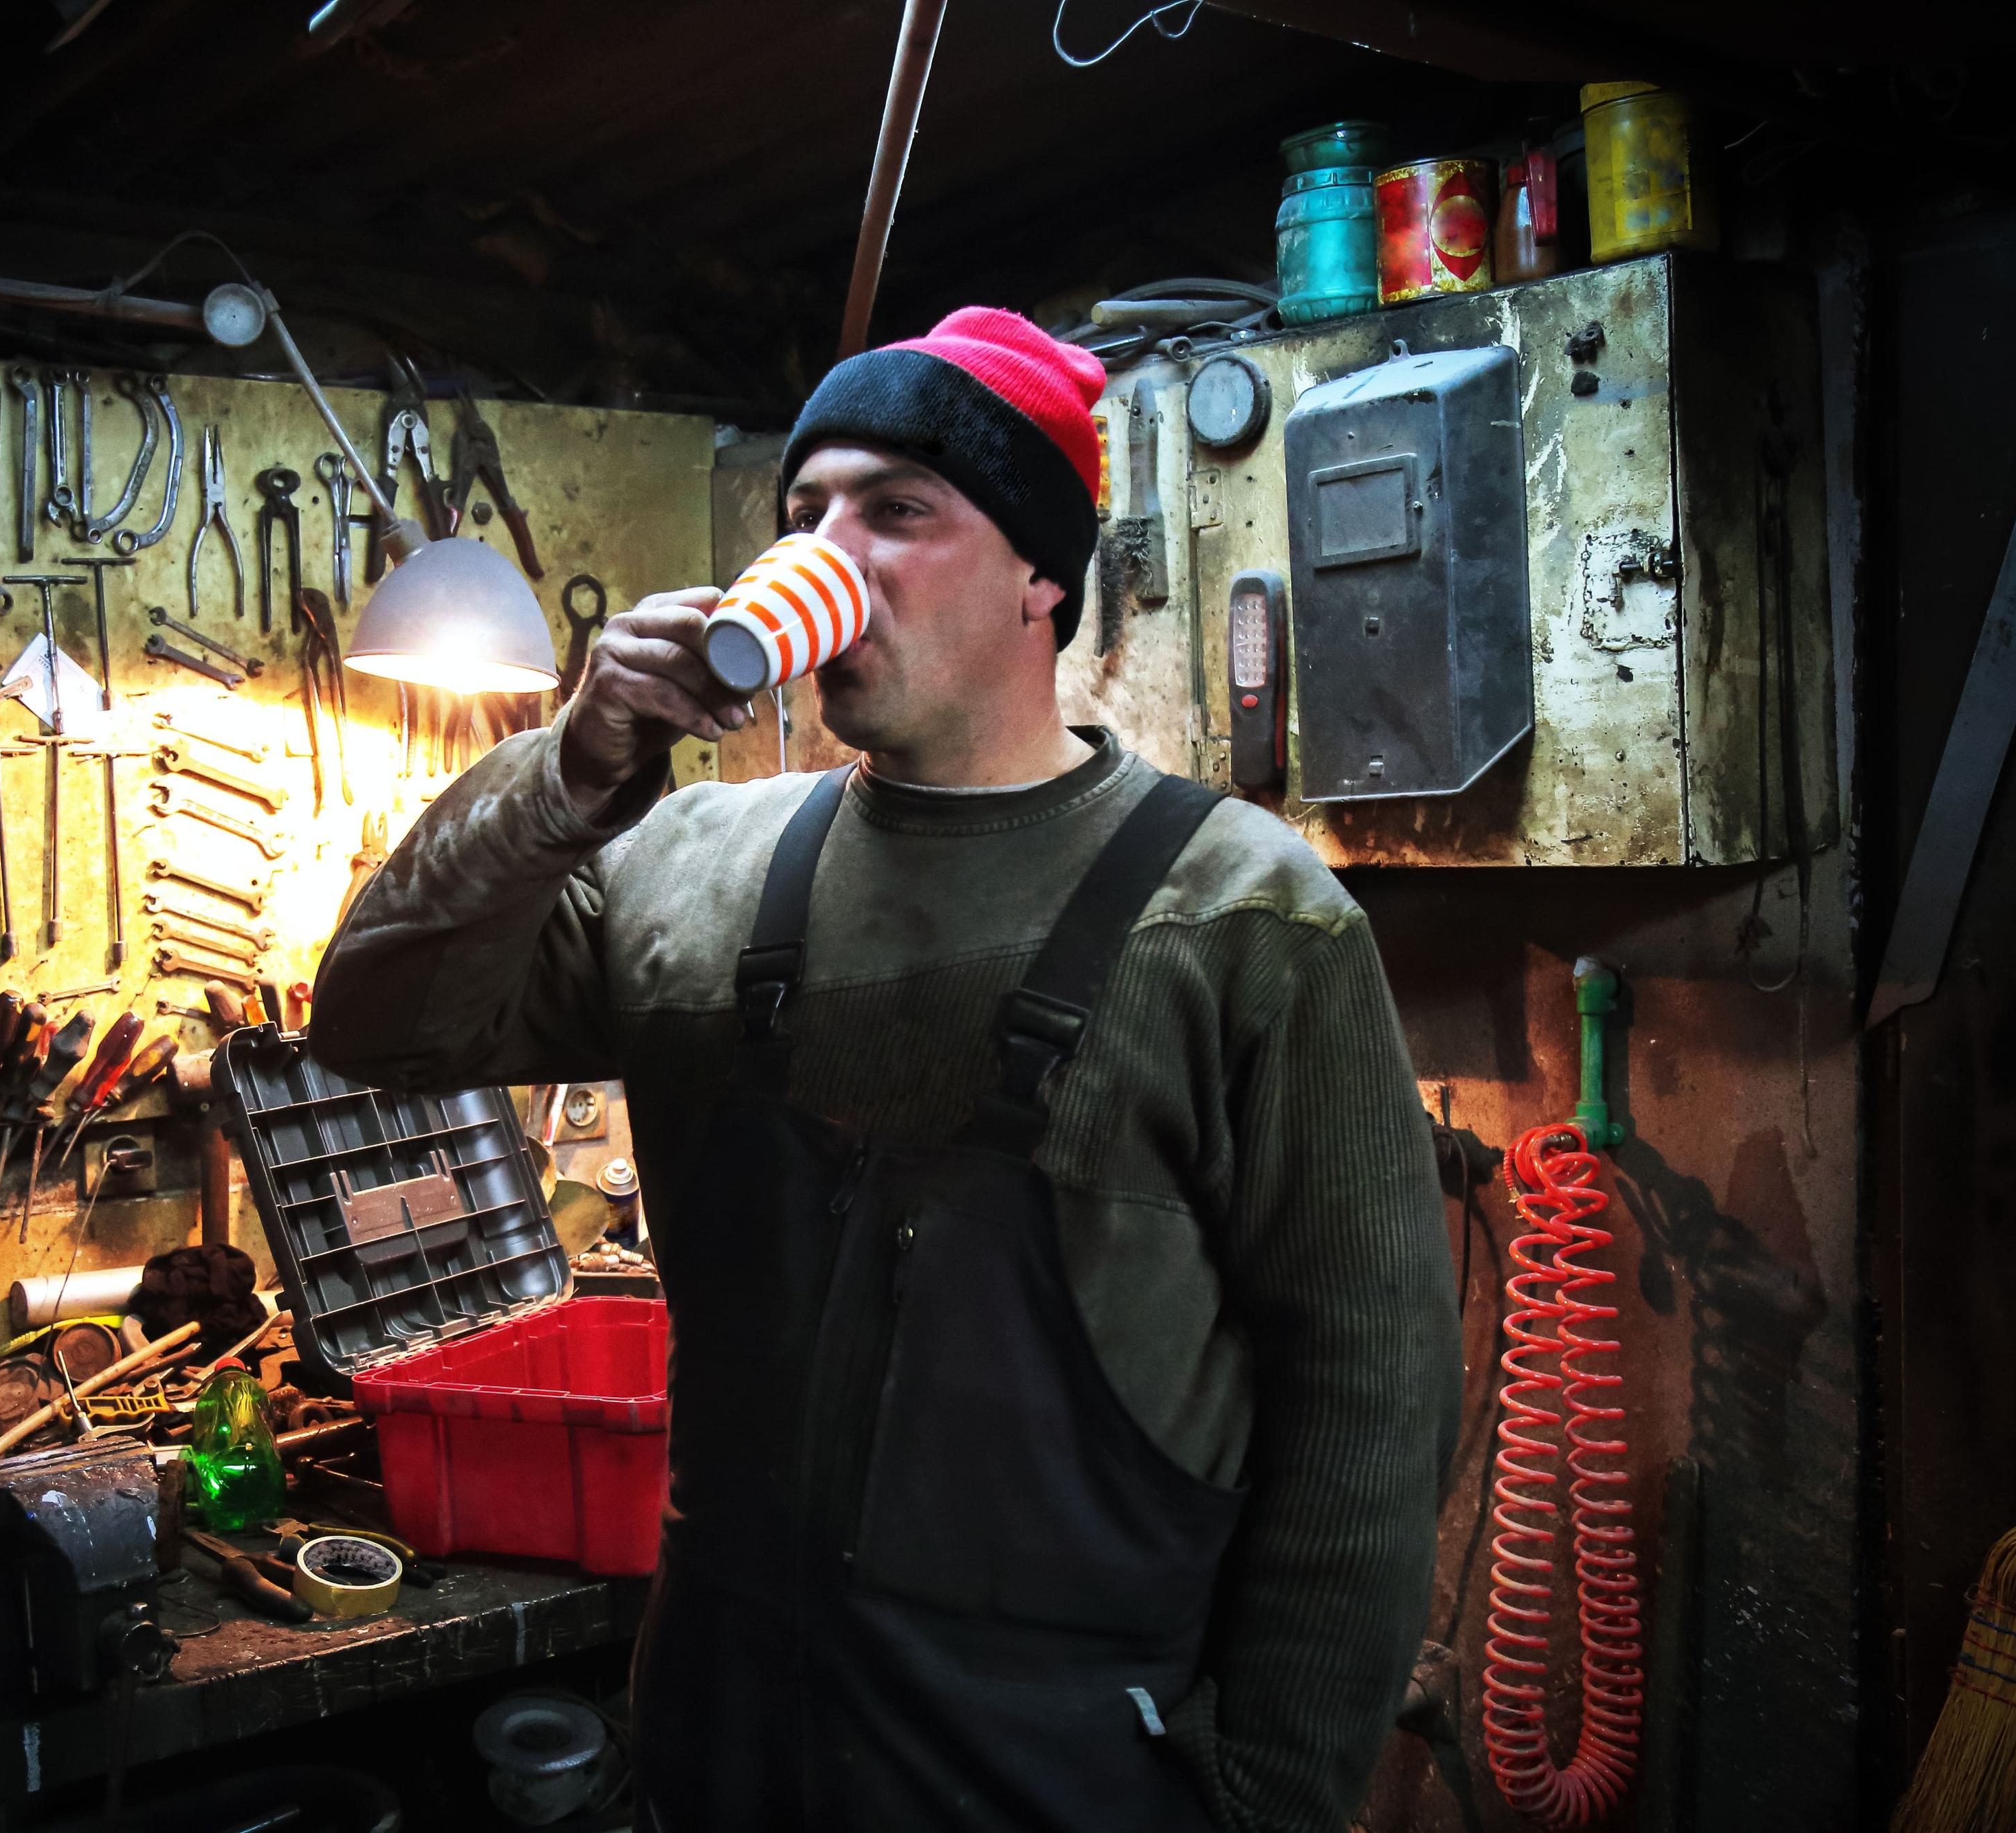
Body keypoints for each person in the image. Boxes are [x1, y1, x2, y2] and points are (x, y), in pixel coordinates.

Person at [312, 307, 1460, 1832]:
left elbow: (1367, 1415)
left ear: (1041, 572)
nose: (829, 552)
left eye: (897, 511)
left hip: (1065, 1769)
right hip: (721, 1736)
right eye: (803, 517)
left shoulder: (1241, 916)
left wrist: (1261, 1798)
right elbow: (374, 1021)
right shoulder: (688, 862)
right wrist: (571, 771)